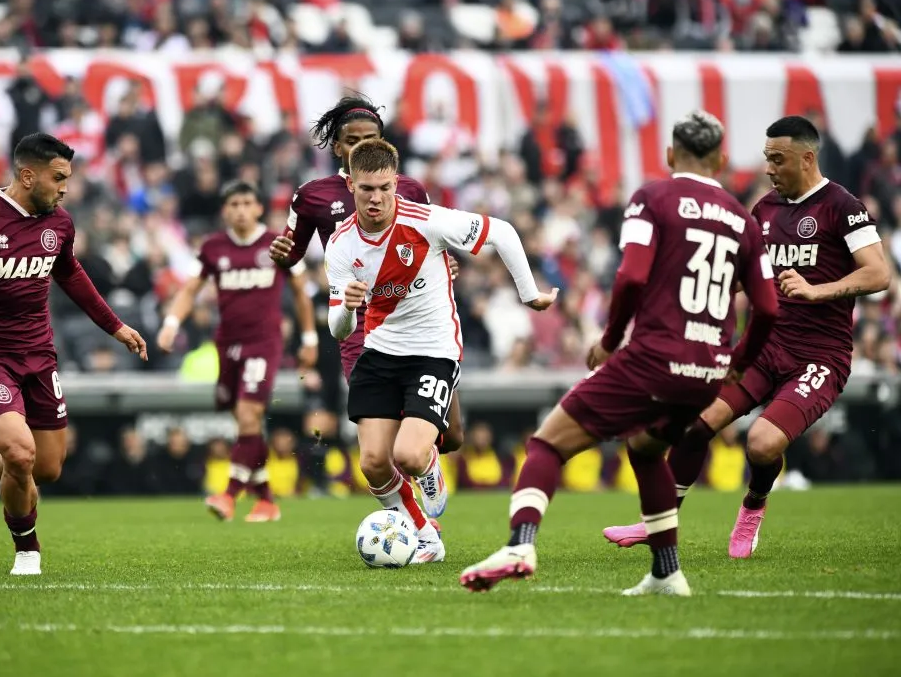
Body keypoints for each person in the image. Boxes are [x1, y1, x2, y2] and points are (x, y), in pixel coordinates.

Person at [460, 110, 780, 596]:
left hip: (653, 357)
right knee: (646, 448)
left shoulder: (653, 198)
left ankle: (519, 544)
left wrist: (609, 341)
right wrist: (737, 360)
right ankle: (667, 573)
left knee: (547, 442)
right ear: (720, 158)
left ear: (671, 155)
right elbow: (769, 308)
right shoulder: (742, 219)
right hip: (708, 370)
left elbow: (630, 276)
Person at [602, 115, 891, 558]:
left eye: (778, 159)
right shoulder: (765, 210)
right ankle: (656, 522)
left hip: (820, 357)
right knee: (695, 423)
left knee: (761, 444)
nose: (769, 168)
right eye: (766, 159)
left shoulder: (843, 206)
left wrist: (818, 291)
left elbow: (879, 272)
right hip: (763, 347)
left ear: (807, 158)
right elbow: (740, 274)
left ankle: (754, 505)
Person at [0, 133, 148, 576]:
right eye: (58, 178)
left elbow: (71, 275)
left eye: (68, 179)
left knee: (47, 466)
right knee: (19, 454)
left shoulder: (60, 224)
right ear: (27, 174)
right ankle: (27, 551)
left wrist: (116, 326)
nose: (65, 188)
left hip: (39, 353)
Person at [327, 138, 556, 563]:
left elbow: (501, 232)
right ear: (351, 187)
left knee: (409, 455)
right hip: (379, 351)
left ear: (395, 184)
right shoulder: (341, 245)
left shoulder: (426, 220)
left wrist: (529, 294)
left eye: (384, 188)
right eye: (366, 189)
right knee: (374, 463)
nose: (376, 199)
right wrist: (347, 306)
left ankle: (429, 465)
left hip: (433, 350)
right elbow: (337, 327)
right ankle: (425, 537)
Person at [268, 95, 460, 544]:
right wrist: (281, 257)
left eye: (368, 140)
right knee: (379, 449)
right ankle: (418, 527)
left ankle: (427, 464)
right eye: (351, 142)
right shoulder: (312, 196)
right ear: (337, 148)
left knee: (452, 439)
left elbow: (437, 246)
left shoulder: (409, 189)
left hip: (420, 325)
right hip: (360, 328)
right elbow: (292, 255)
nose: (359, 148)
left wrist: (448, 264)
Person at [157, 180, 318, 522]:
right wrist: (171, 323)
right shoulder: (213, 247)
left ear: (259, 208)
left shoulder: (278, 243)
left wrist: (309, 339)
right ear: (224, 210)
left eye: (247, 202)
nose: (241, 210)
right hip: (227, 344)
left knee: (248, 415)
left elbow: (302, 293)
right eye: (234, 204)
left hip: (264, 342)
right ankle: (266, 499)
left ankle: (229, 494)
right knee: (246, 423)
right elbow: (190, 289)